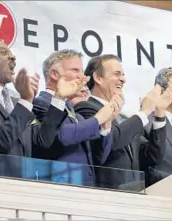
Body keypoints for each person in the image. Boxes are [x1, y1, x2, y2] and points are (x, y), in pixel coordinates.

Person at [0, 39, 77, 176]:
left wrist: (59, 98)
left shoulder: (15, 100)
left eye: (11, 52)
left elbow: (42, 141)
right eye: (3, 52)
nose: (12, 56)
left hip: (26, 188)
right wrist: (25, 100)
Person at [75, 54, 172, 189]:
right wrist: (144, 112)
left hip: (134, 194)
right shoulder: (85, 108)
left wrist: (160, 114)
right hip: (105, 194)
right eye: (117, 74)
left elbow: (152, 157)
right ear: (98, 78)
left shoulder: (125, 118)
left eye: (123, 74)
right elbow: (111, 142)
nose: (123, 79)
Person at [33, 49, 116, 186]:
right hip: (61, 187)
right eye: (75, 70)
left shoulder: (76, 114)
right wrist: (98, 119)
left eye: (82, 71)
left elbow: (98, 158)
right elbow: (62, 135)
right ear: (54, 74)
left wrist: (106, 126)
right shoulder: (40, 102)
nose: (82, 77)